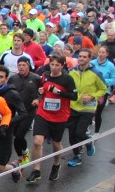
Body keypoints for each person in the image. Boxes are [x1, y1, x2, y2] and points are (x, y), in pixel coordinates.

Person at [27, 53, 77, 183]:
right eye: (52, 64)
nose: (54, 67)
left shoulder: (67, 79)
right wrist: (40, 94)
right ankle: (36, 170)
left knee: (56, 143)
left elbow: (74, 96)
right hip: (43, 112)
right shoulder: (45, 76)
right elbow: (41, 91)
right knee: (38, 141)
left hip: (60, 115)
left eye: (57, 65)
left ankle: (56, 164)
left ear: (62, 66)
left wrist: (59, 92)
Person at [67, 48, 108, 167]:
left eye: (85, 57)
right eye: (80, 56)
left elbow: (103, 89)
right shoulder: (71, 71)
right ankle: (77, 156)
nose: (81, 59)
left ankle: (89, 142)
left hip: (87, 108)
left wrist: (92, 97)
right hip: (73, 106)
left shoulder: (96, 73)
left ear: (90, 59)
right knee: (71, 134)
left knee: (79, 133)